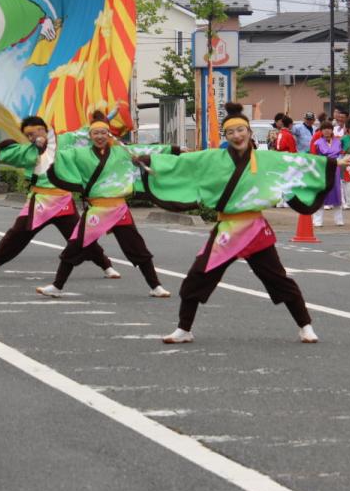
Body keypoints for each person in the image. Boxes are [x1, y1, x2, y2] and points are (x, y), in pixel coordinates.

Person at [140, 102, 337, 344]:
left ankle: (305, 326)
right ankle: (184, 329)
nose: (237, 135)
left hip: (254, 229)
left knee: (278, 279)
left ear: (249, 132)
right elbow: (183, 164)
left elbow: (296, 163)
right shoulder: (213, 158)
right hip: (227, 230)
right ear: (226, 136)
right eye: (231, 132)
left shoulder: (266, 159)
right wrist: (150, 161)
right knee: (197, 277)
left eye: (241, 130)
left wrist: (333, 164)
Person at [37, 112, 170, 298]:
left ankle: (156, 286)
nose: (100, 136)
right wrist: (44, 146)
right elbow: (59, 156)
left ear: (109, 134)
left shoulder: (122, 152)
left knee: (136, 248)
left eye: (103, 133)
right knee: (74, 246)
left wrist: (176, 150)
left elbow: (150, 150)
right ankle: (57, 286)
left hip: (118, 209)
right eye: (96, 133)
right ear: (90, 136)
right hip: (97, 209)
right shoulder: (80, 153)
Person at [0, 116, 116, 280]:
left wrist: (103, 120)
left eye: (36, 132)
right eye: (29, 135)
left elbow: (88, 132)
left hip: (63, 201)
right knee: (17, 234)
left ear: (44, 130)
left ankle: (106, 266)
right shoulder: (28, 151)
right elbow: (4, 153)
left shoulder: (65, 141)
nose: (33, 136)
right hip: (39, 201)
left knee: (82, 237)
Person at [310, 123, 348, 227]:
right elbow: (313, 157)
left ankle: (339, 219)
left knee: (337, 193)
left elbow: (342, 154)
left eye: (329, 129)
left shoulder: (338, 142)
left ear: (332, 130)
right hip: (322, 169)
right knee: (321, 194)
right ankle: (317, 220)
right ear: (321, 131)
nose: (327, 131)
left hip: (335, 169)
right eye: (324, 129)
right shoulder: (317, 143)